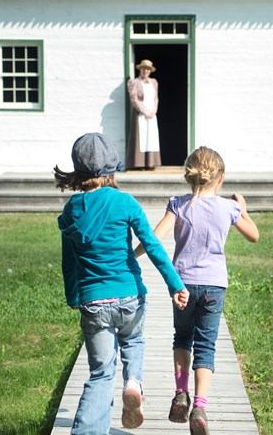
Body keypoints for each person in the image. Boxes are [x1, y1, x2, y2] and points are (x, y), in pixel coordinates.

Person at [54, 132, 189, 435]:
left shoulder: (71, 211)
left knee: (101, 374)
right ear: (111, 168)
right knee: (134, 340)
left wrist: (73, 296)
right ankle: (133, 382)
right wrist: (175, 284)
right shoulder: (125, 203)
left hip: (93, 302)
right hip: (129, 295)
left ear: (78, 170)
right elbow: (152, 245)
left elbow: (69, 262)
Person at [135, 146, 259, 435]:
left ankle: (181, 393)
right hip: (214, 286)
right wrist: (245, 210)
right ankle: (200, 406)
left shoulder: (178, 204)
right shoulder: (229, 208)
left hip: (183, 285)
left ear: (189, 176)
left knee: (182, 338)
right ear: (220, 178)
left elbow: (154, 239)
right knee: (207, 346)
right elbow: (254, 235)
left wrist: (133, 254)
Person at [126, 59, 161, 170]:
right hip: (140, 114)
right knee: (141, 138)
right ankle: (139, 163)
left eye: (148, 69)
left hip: (151, 114)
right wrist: (145, 111)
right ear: (140, 69)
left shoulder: (154, 82)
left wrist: (153, 111)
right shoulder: (134, 82)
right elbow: (134, 99)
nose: (145, 71)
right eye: (144, 68)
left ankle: (150, 163)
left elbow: (156, 98)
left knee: (151, 137)